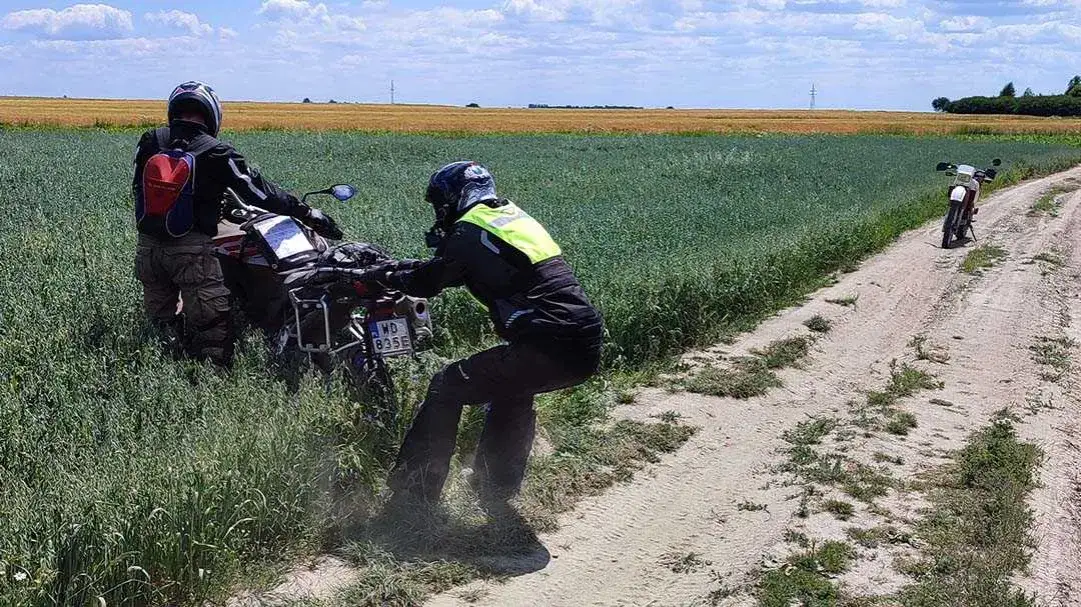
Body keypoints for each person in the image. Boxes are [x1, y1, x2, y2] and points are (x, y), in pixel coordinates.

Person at [366, 161, 604, 513]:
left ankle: (413, 494)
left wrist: (381, 275)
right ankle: (495, 484)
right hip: (583, 341)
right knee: (512, 388)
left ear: (453, 199)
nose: (438, 212)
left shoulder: (468, 231)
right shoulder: (510, 217)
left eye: (439, 204)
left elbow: (428, 281)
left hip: (548, 342)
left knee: (446, 386)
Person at [132, 81, 340, 365]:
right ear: (212, 114)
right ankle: (210, 383)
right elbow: (260, 193)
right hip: (191, 252)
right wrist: (307, 213)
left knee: (161, 322)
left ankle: (162, 367)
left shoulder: (151, 140)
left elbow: (138, 190)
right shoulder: (216, 152)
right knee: (211, 328)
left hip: (148, 249)